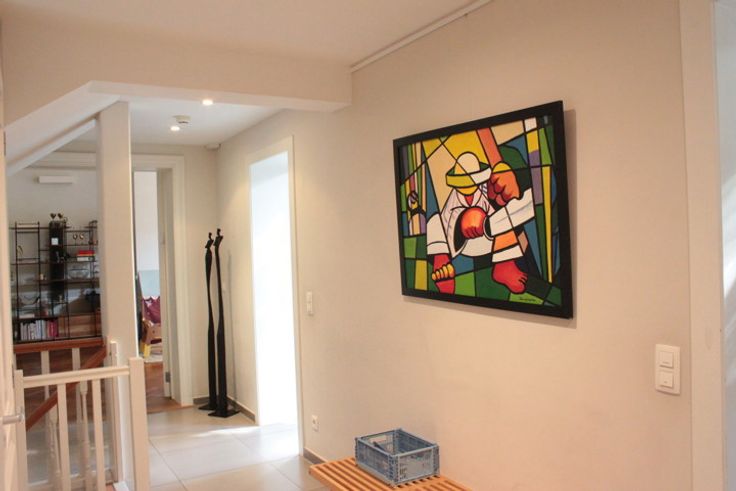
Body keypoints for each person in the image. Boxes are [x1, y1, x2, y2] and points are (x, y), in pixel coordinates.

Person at [426, 152, 535, 294]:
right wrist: (462, 223)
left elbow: (501, 212)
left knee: (504, 219)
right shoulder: (453, 199)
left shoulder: (486, 190)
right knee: (435, 221)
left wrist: (491, 212)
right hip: (464, 243)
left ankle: (504, 266)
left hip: (490, 239)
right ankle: (441, 260)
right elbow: (447, 223)